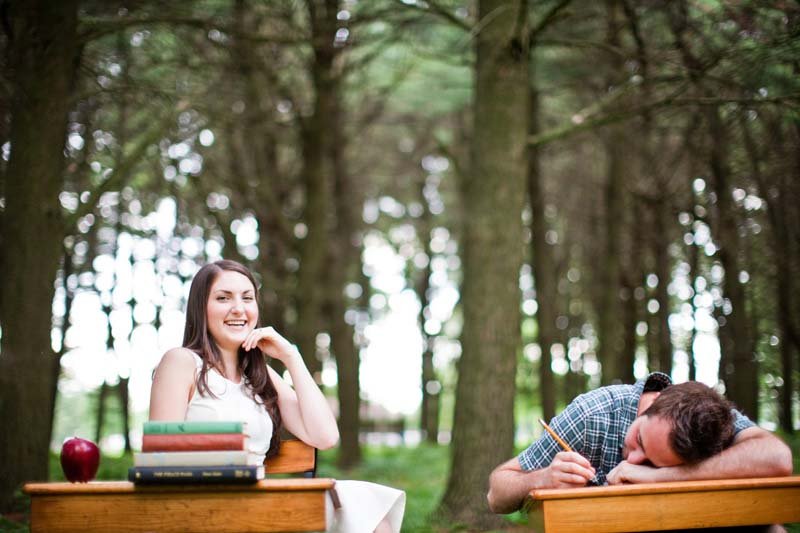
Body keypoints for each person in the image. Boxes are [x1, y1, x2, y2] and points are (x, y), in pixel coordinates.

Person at [149, 260, 405, 533]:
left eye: (247, 298)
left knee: (371, 515)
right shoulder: (181, 362)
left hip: (259, 508)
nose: (238, 308)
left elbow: (325, 436)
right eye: (223, 298)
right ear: (201, 308)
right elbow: (159, 457)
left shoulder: (260, 376)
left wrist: (291, 357)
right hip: (203, 510)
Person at [487, 372, 793, 514]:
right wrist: (544, 478)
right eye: (639, 439)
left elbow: (777, 459)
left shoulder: (710, 421)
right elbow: (496, 493)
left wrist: (660, 478)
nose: (633, 462)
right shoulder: (592, 414)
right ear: (655, 402)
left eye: (652, 460)